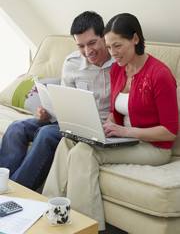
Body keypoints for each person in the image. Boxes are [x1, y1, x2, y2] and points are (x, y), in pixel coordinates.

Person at [42, 13, 179, 231]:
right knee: (67, 141)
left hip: (153, 147)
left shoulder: (159, 74)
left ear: (135, 39)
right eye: (109, 46)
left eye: (118, 46)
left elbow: (170, 132)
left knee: (84, 151)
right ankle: (47, 209)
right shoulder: (118, 68)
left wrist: (125, 132)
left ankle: (83, 225)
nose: (113, 53)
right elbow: (116, 111)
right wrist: (105, 126)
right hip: (123, 138)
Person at [0, 11, 114, 191]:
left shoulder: (120, 63)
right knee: (16, 128)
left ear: (104, 36)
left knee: (45, 134)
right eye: (81, 46)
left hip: (97, 128)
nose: (87, 51)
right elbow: (64, 101)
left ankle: (17, 194)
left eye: (92, 43)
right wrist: (46, 112)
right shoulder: (72, 62)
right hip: (68, 121)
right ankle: (2, 186)